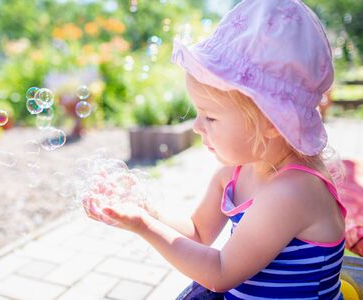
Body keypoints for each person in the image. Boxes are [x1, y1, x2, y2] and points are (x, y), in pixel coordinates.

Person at [83, 0, 347, 298]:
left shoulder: (293, 191)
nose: (197, 126)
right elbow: (198, 233)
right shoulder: (231, 175)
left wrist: (143, 226)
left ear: (272, 120)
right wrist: (145, 210)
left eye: (210, 116)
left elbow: (220, 273)